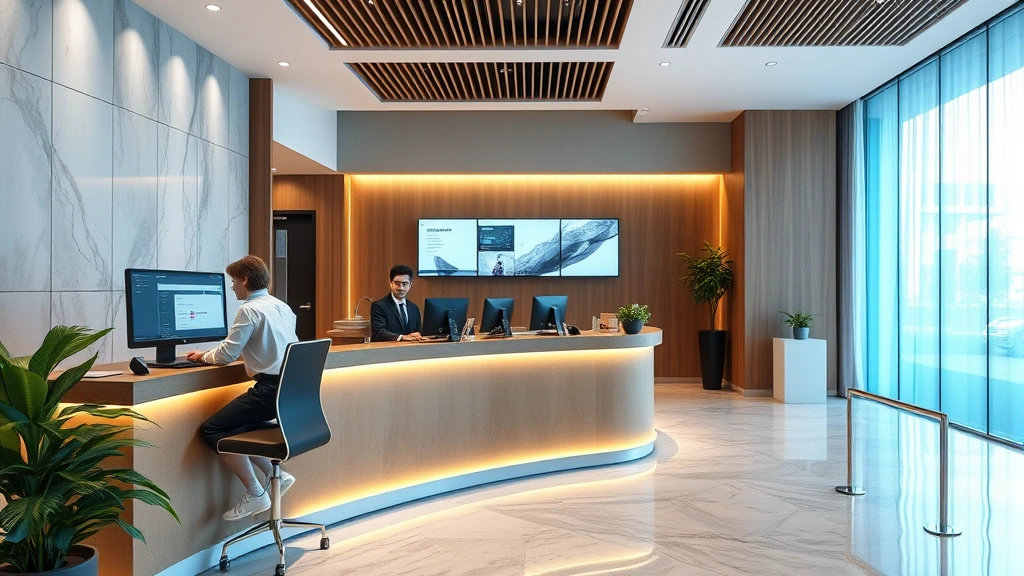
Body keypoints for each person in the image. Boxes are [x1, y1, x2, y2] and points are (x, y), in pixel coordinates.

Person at [188, 255, 299, 521]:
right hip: (287, 394)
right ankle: (278, 476)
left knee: (213, 429)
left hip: (268, 392)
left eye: (233, 281)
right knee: (238, 427)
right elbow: (265, 346)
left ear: (245, 280)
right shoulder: (281, 306)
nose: (232, 287)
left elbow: (226, 355)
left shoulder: (249, 310)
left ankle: (256, 492)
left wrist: (202, 356)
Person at [370, 264, 423, 342]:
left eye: (404, 284)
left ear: (410, 284)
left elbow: (417, 331)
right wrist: (401, 337)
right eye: (397, 283)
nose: (401, 288)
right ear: (391, 283)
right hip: (387, 351)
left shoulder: (414, 308)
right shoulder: (379, 306)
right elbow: (379, 332)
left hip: (410, 351)